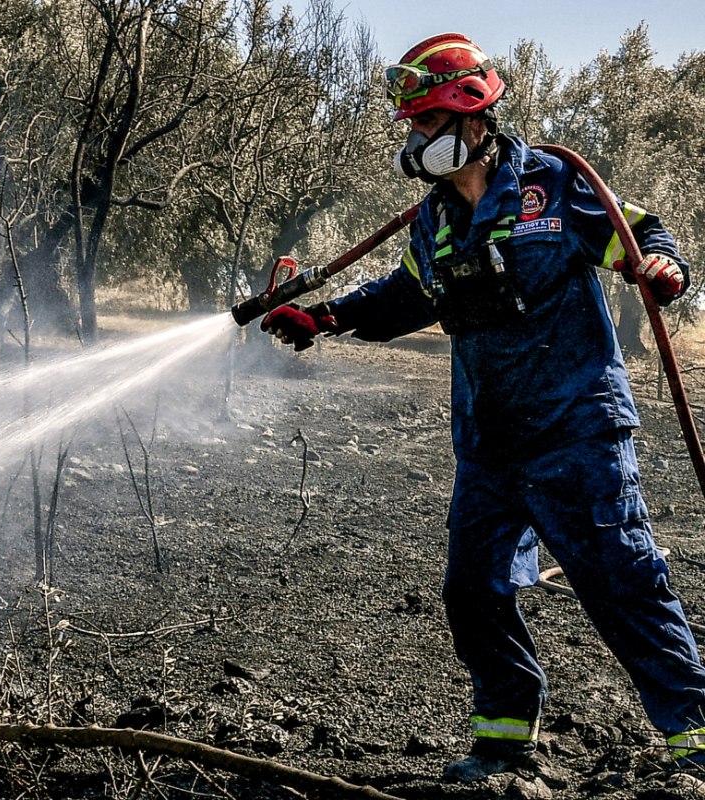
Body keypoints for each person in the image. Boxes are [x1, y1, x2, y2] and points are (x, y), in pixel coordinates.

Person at [260, 32, 705, 783]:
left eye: (426, 124)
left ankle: (695, 740)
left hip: (578, 430)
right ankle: (503, 741)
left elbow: (644, 229)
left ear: (472, 119)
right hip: (490, 445)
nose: (414, 140)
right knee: (474, 590)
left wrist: (662, 266)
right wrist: (328, 317)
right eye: (411, 126)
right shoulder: (435, 220)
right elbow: (405, 296)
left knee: (621, 582)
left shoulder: (556, 186)